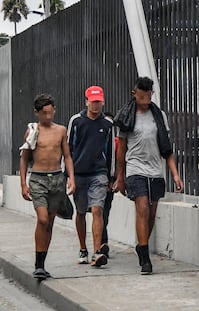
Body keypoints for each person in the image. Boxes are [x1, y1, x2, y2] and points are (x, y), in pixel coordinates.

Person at [114, 77, 183, 275]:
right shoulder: (127, 116)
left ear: (152, 94)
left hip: (155, 170)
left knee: (151, 213)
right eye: (141, 95)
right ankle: (145, 258)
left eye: (148, 95)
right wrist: (121, 176)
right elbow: (121, 149)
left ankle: (141, 245)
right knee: (142, 208)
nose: (145, 99)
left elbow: (166, 148)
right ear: (134, 93)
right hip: (135, 169)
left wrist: (175, 175)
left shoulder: (158, 115)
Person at [20, 94, 75, 280]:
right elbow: (24, 158)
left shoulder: (61, 131)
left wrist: (71, 178)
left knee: (50, 222)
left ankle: (42, 263)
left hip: (57, 178)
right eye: (44, 113)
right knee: (42, 219)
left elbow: (67, 156)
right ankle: (38, 262)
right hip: (38, 179)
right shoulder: (32, 131)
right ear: (37, 113)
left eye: (50, 113)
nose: (48, 117)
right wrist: (23, 184)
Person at [67, 86, 115, 267]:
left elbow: (110, 150)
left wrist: (111, 177)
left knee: (97, 210)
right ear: (86, 101)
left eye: (98, 102)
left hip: (99, 173)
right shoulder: (77, 121)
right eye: (93, 101)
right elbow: (68, 148)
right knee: (80, 212)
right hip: (79, 172)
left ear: (102, 102)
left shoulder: (108, 125)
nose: (96, 105)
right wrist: (69, 175)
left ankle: (96, 252)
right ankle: (82, 248)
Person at [101, 112, 119, 257]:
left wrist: (115, 179)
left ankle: (102, 244)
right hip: (93, 178)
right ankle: (100, 243)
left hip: (109, 181)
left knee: (104, 213)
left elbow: (118, 161)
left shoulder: (117, 143)